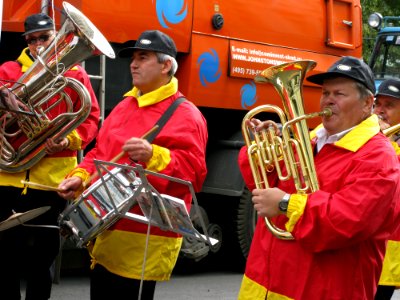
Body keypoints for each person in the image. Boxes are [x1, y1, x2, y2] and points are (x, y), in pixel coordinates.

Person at [57, 29, 208, 300]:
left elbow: (194, 175)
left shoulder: (187, 114)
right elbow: (99, 153)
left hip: (143, 239)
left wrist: (153, 154)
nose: (133, 64)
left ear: (166, 65)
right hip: (105, 235)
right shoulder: (126, 104)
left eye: (143, 57)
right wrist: (79, 176)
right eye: (133, 58)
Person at [237, 56, 400, 299]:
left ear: (367, 103)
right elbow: (261, 186)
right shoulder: (310, 140)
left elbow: (348, 221)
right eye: (325, 93)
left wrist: (285, 204)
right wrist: (267, 151)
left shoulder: (378, 157)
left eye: (339, 94)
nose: (328, 100)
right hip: (264, 285)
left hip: (321, 288)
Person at [0, 13, 100, 300]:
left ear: (55, 37)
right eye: (32, 40)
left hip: (51, 183)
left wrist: (68, 139)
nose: (38, 44)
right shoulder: (8, 70)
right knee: (5, 259)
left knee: (40, 261)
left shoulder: (74, 73)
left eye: (44, 37)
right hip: (8, 179)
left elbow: (91, 118)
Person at [373, 78, 400, 300]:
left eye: (389, 105)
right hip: (365, 246)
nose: (380, 111)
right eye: (377, 104)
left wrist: (384, 140)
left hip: (390, 251)